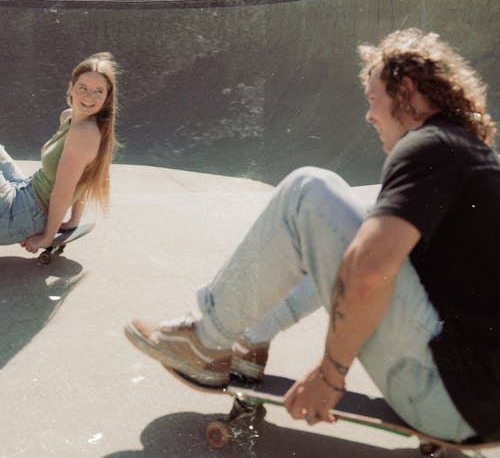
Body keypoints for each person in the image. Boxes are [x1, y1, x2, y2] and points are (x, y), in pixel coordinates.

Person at [124, 29, 499, 443]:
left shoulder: (428, 145)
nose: (369, 116)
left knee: (310, 193)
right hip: (481, 406)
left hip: (449, 400)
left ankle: (207, 341)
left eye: (374, 100)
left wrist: (330, 375)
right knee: (365, 214)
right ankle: (252, 336)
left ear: (406, 90)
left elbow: (368, 270)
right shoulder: (471, 156)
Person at [0, 52, 119, 253]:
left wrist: (47, 238)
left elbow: (63, 192)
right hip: (25, 190)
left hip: (20, 215)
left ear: (107, 97)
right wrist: (74, 220)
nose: (90, 97)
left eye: (99, 91)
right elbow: (84, 179)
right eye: (83, 88)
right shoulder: (69, 118)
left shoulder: (84, 133)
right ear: (71, 87)